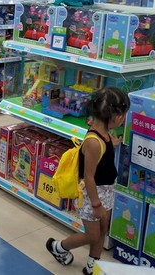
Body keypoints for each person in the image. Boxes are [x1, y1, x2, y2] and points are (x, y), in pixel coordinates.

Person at [46, 86, 130, 275]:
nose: (123, 119)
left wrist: (113, 144)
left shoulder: (105, 132)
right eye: (123, 115)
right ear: (115, 116)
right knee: (92, 235)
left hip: (106, 190)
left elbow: (103, 158)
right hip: (92, 195)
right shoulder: (93, 141)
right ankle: (58, 247)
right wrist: (96, 204)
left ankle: (93, 266)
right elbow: (89, 177)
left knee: (102, 230)